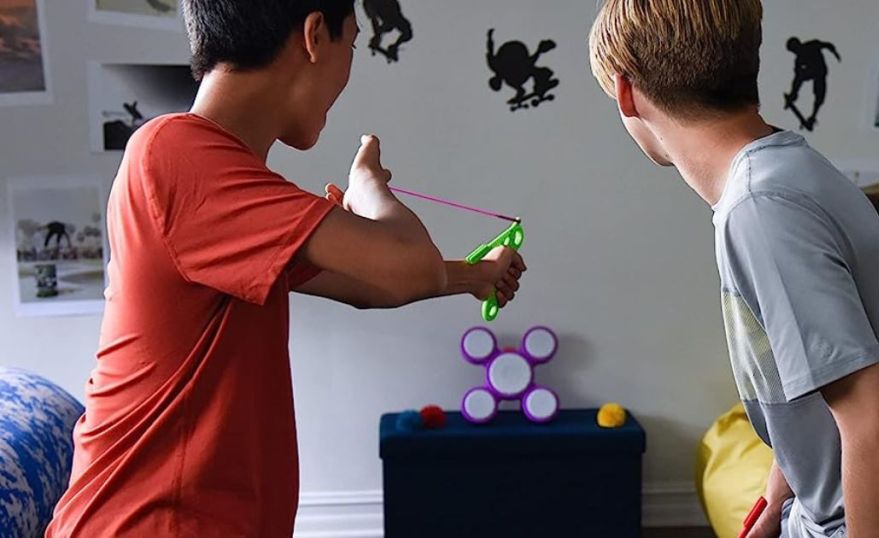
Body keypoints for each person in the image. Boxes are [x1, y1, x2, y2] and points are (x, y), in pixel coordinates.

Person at [47, 1, 525, 535]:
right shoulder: (178, 152)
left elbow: (369, 286)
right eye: (355, 43)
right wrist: (370, 190)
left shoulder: (221, 181)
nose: (350, 69)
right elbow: (407, 267)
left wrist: (471, 276)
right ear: (315, 35)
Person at [588, 0, 879, 536]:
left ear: (625, 92)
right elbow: (814, 378)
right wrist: (775, 500)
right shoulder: (789, 171)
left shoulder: (760, 208)